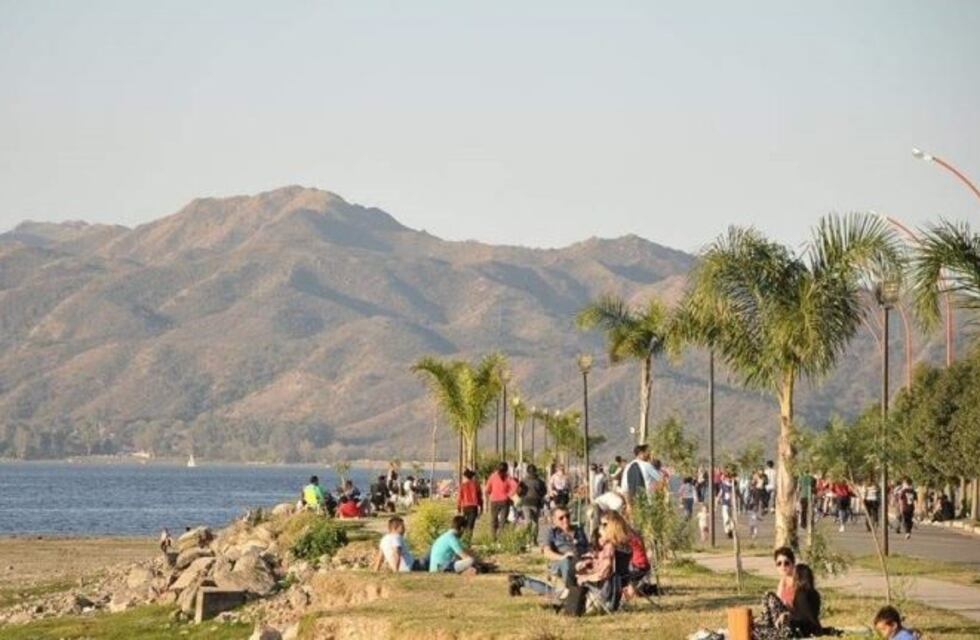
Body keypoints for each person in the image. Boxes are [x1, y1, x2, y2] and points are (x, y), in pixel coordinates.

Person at [510, 510, 628, 599]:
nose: (565, 519)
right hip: (561, 563)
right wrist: (563, 557)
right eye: (561, 518)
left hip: (583, 563)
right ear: (554, 520)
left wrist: (590, 558)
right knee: (568, 564)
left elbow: (589, 548)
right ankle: (569, 592)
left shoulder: (578, 530)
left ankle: (523, 581)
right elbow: (547, 552)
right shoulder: (551, 532)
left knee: (563, 592)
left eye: (567, 516)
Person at [485, 462, 518, 540]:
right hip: (504, 501)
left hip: (494, 501)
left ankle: (493, 537)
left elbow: (487, 489)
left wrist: (490, 495)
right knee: (502, 520)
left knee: (493, 519)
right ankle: (500, 538)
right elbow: (515, 486)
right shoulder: (507, 477)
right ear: (506, 469)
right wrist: (509, 495)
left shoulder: (493, 476)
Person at [519, 464, 547, 543]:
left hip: (525, 502)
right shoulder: (540, 481)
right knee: (535, 522)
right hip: (536, 503)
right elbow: (544, 491)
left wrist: (522, 496)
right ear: (535, 471)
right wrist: (539, 496)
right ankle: (534, 540)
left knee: (528, 521)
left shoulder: (523, 481)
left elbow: (519, 491)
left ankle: (527, 539)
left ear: (527, 471)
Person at [457, 469, 483, 534]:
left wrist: (459, 507)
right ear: (472, 477)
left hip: (465, 507)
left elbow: (459, 497)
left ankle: (465, 537)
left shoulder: (462, 485)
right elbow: (479, 497)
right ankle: (468, 538)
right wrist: (481, 507)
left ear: (465, 477)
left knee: (465, 524)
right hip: (473, 507)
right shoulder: (476, 485)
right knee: (471, 525)